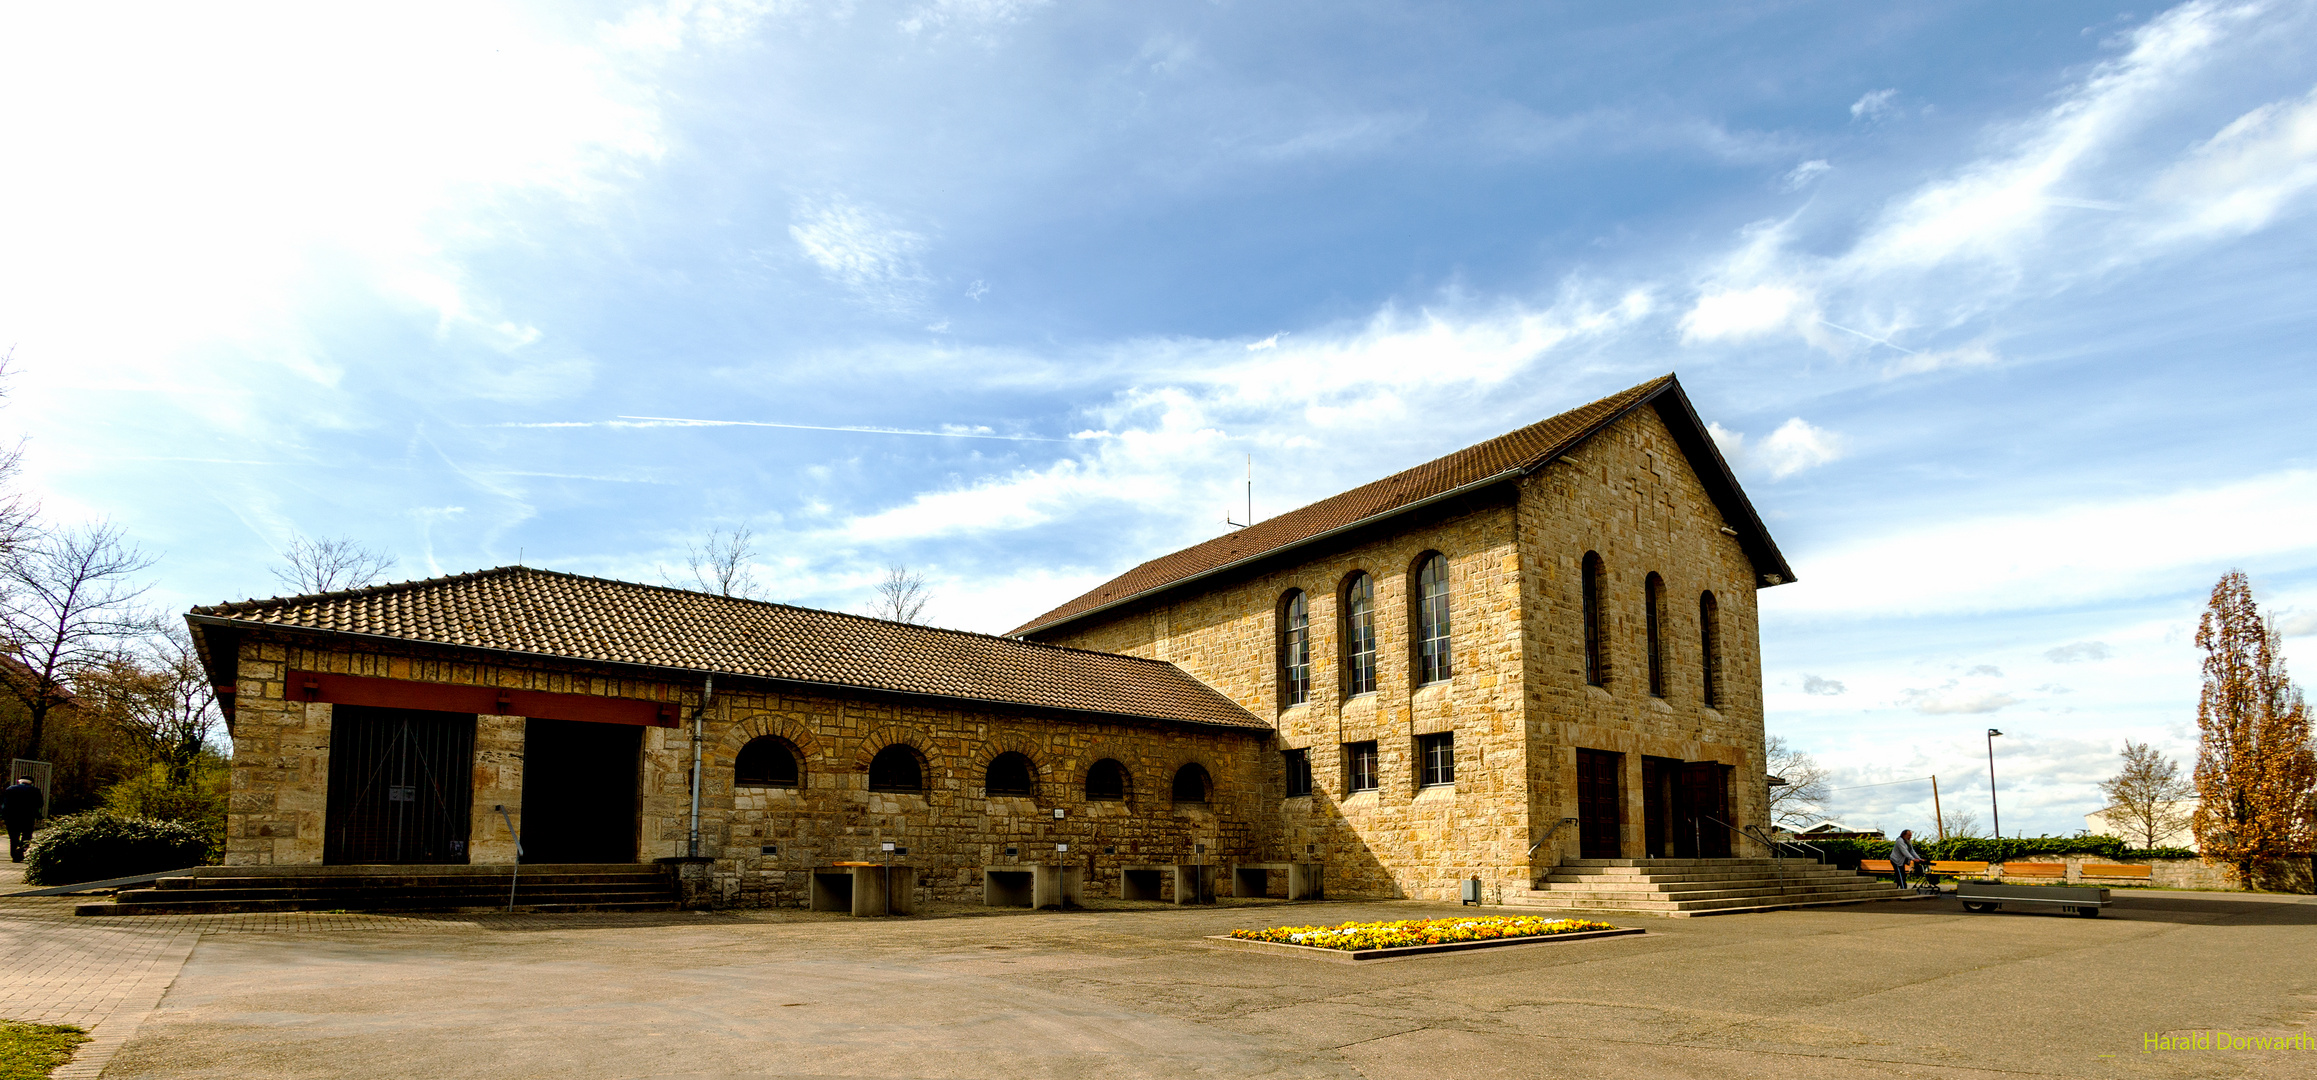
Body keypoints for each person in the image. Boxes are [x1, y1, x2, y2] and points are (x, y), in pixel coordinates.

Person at [3, 776, 42, 863]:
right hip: (28, 817)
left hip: (12, 817)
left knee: (13, 837)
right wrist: (37, 814)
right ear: (31, 782)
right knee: (27, 836)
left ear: (19, 781)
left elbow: (5, 804)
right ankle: (21, 851)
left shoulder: (10, 789)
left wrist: (4, 815)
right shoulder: (35, 790)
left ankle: (14, 855)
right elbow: (39, 804)